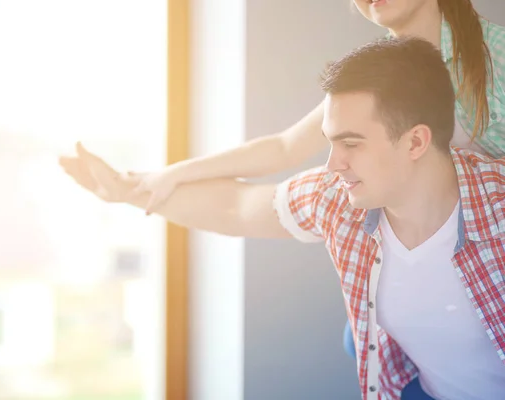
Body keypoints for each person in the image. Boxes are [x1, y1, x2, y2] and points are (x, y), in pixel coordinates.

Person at [60, 37, 505, 400]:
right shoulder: (338, 200)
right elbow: (236, 207)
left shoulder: (498, 207)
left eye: (352, 143)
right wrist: (126, 190)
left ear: (415, 142)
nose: (334, 163)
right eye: (331, 142)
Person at [127, 0, 505, 361]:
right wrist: (175, 173)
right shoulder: (380, 82)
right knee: (363, 340)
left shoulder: (495, 55)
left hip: (485, 263)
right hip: (419, 263)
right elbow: (283, 148)